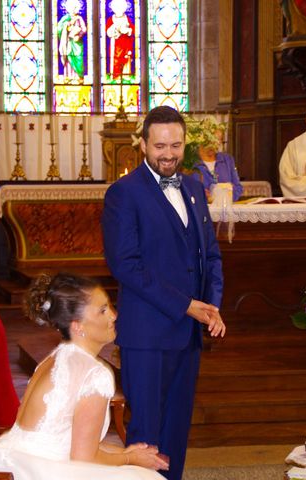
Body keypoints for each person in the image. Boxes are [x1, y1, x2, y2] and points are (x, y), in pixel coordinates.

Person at [101, 106, 226, 480]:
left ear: (185, 143)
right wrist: (187, 305)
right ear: (143, 144)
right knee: (147, 437)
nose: (168, 154)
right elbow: (125, 265)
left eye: (175, 144)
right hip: (148, 336)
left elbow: (210, 254)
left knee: (176, 430)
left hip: (188, 334)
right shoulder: (123, 193)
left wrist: (212, 306)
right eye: (159, 146)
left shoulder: (191, 186)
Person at [0, 273, 168, 480]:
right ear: (77, 325)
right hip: (37, 471)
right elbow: (83, 459)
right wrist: (129, 459)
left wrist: (126, 453)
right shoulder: (95, 374)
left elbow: (70, 440)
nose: (113, 315)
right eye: (102, 311)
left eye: (109, 306)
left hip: (1, 459)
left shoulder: (53, 359)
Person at [191, 121, 243, 202]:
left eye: (218, 141)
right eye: (211, 140)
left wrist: (224, 196)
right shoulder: (191, 161)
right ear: (201, 139)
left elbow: (238, 188)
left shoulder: (227, 159)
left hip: (224, 209)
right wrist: (200, 195)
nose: (215, 144)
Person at [57, 0, 87, 83]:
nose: (72, 9)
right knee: (68, 58)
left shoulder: (79, 18)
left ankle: (78, 77)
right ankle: (68, 76)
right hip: (68, 42)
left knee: (78, 57)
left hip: (77, 42)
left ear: (77, 8)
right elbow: (58, 28)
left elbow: (84, 29)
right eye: (70, 7)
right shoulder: (65, 18)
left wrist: (79, 35)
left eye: (74, 8)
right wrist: (66, 26)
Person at [106, 0, 134, 79]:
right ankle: (116, 75)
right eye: (117, 7)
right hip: (115, 44)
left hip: (126, 43)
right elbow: (108, 31)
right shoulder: (111, 19)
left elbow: (132, 29)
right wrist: (113, 30)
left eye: (121, 7)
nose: (119, 9)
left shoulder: (127, 18)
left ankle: (125, 75)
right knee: (116, 59)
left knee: (126, 58)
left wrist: (128, 30)